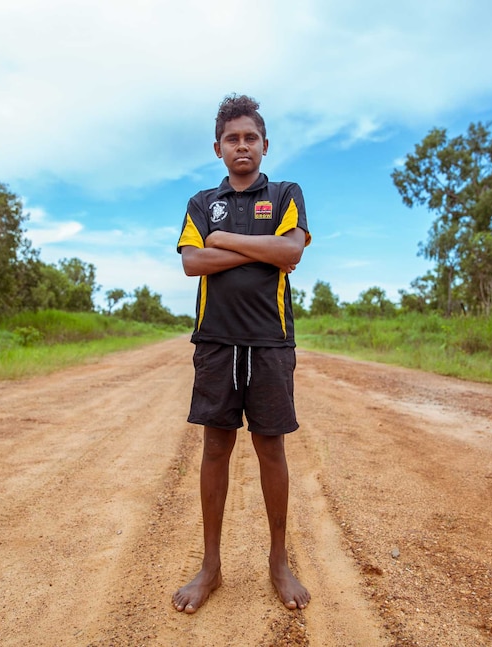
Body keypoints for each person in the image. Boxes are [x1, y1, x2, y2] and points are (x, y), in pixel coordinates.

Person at [172, 94, 312, 614]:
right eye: (232, 139)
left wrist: (224, 239)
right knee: (214, 450)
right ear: (218, 148)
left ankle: (278, 561)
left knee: (271, 450)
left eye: (250, 137)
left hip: (271, 341)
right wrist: (256, 247)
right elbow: (192, 264)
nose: (242, 146)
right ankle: (211, 566)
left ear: (265, 145)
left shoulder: (284, 194)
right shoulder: (198, 202)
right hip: (216, 341)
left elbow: (290, 252)